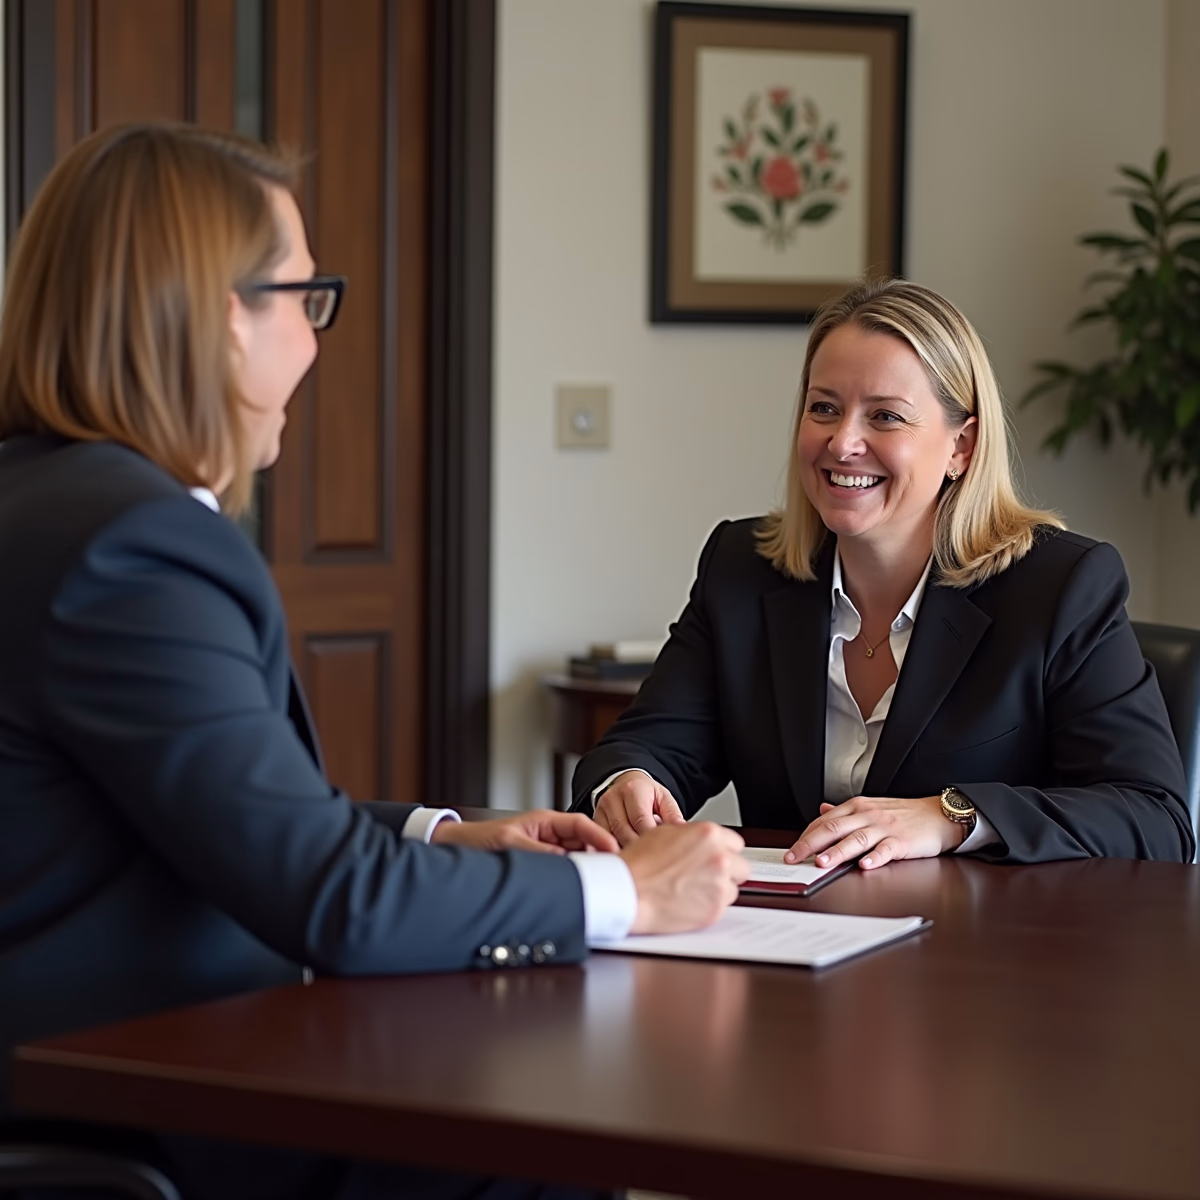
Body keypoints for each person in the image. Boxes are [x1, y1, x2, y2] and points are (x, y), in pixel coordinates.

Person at [0, 122, 749, 1199]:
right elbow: (330, 901)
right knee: (538, 1148)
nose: (314, 342)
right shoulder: (134, 548)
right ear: (223, 318)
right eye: (305, 300)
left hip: (111, 1059)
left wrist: (448, 833)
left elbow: (230, 819)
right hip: (131, 1096)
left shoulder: (47, 503)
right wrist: (623, 892)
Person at [573, 278, 1194, 869]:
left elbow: (1155, 818)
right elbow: (648, 744)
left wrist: (953, 818)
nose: (843, 443)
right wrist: (627, 782)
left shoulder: (1062, 586)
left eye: (886, 416)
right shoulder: (742, 568)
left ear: (962, 447)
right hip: (790, 944)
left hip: (981, 958)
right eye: (824, 408)